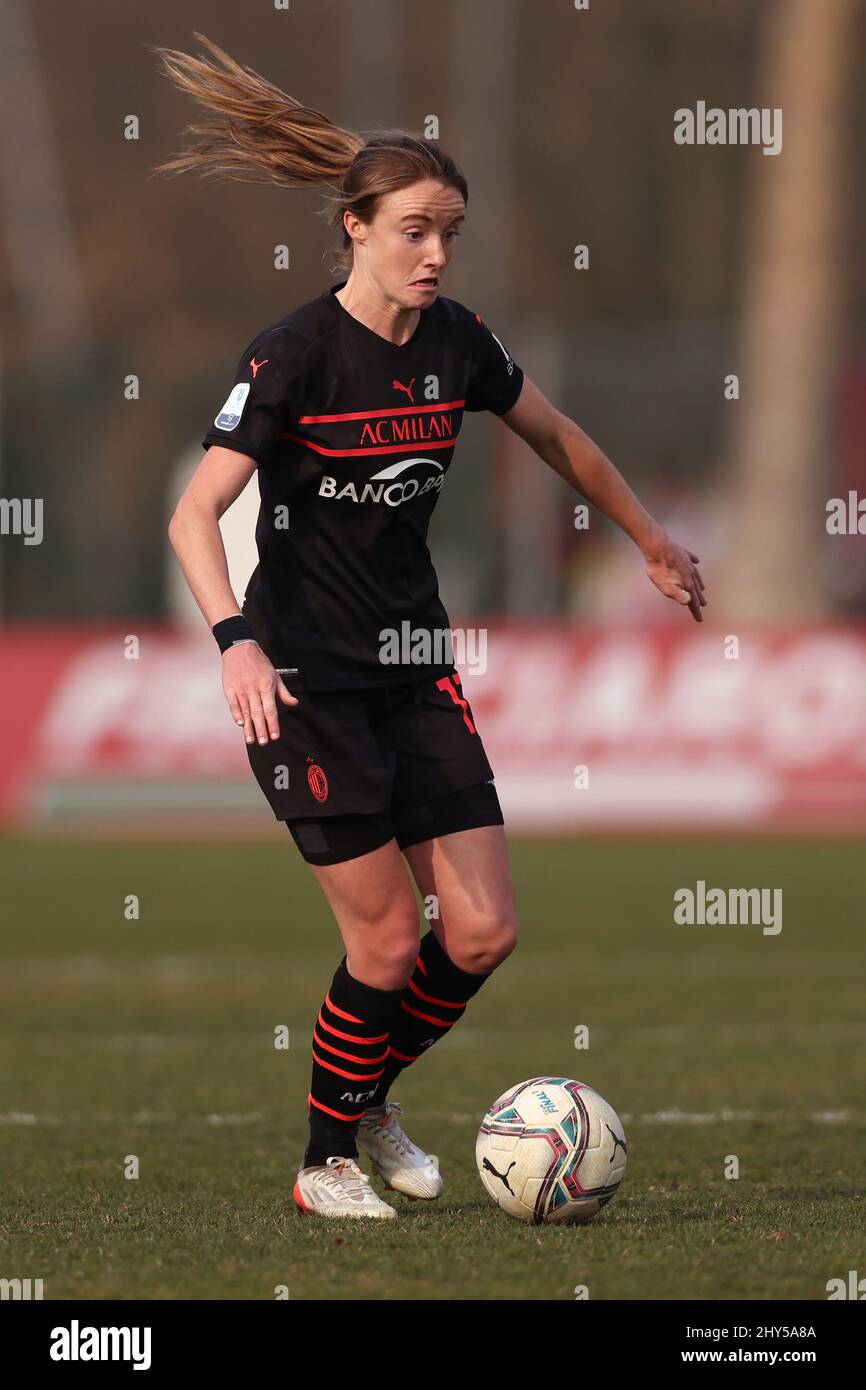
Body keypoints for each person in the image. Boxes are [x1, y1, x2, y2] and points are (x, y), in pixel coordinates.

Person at [159, 35, 706, 1220]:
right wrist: (233, 639)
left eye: (448, 229)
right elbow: (196, 513)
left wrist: (648, 539)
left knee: (483, 926)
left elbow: (558, 438)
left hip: (414, 669)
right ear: (353, 227)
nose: (434, 251)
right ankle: (323, 1164)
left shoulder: (457, 341)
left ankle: (367, 1096)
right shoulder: (294, 352)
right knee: (384, 947)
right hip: (303, 679)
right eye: (413, 227)